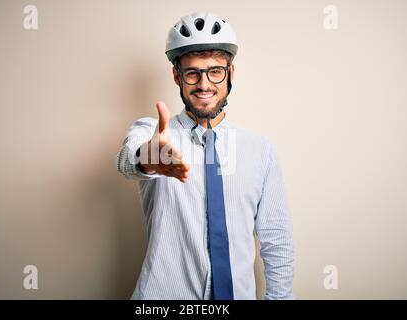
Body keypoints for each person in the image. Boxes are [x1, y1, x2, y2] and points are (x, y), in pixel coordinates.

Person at [115, 12, 294, 300]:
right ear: (177, 76)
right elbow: (125, 162)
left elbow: (277, 239)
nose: (204, 84)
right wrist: (149, 159)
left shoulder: (261, 150)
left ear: (231, 73)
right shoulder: (152, 132)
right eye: (192, 73)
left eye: (215, 71)